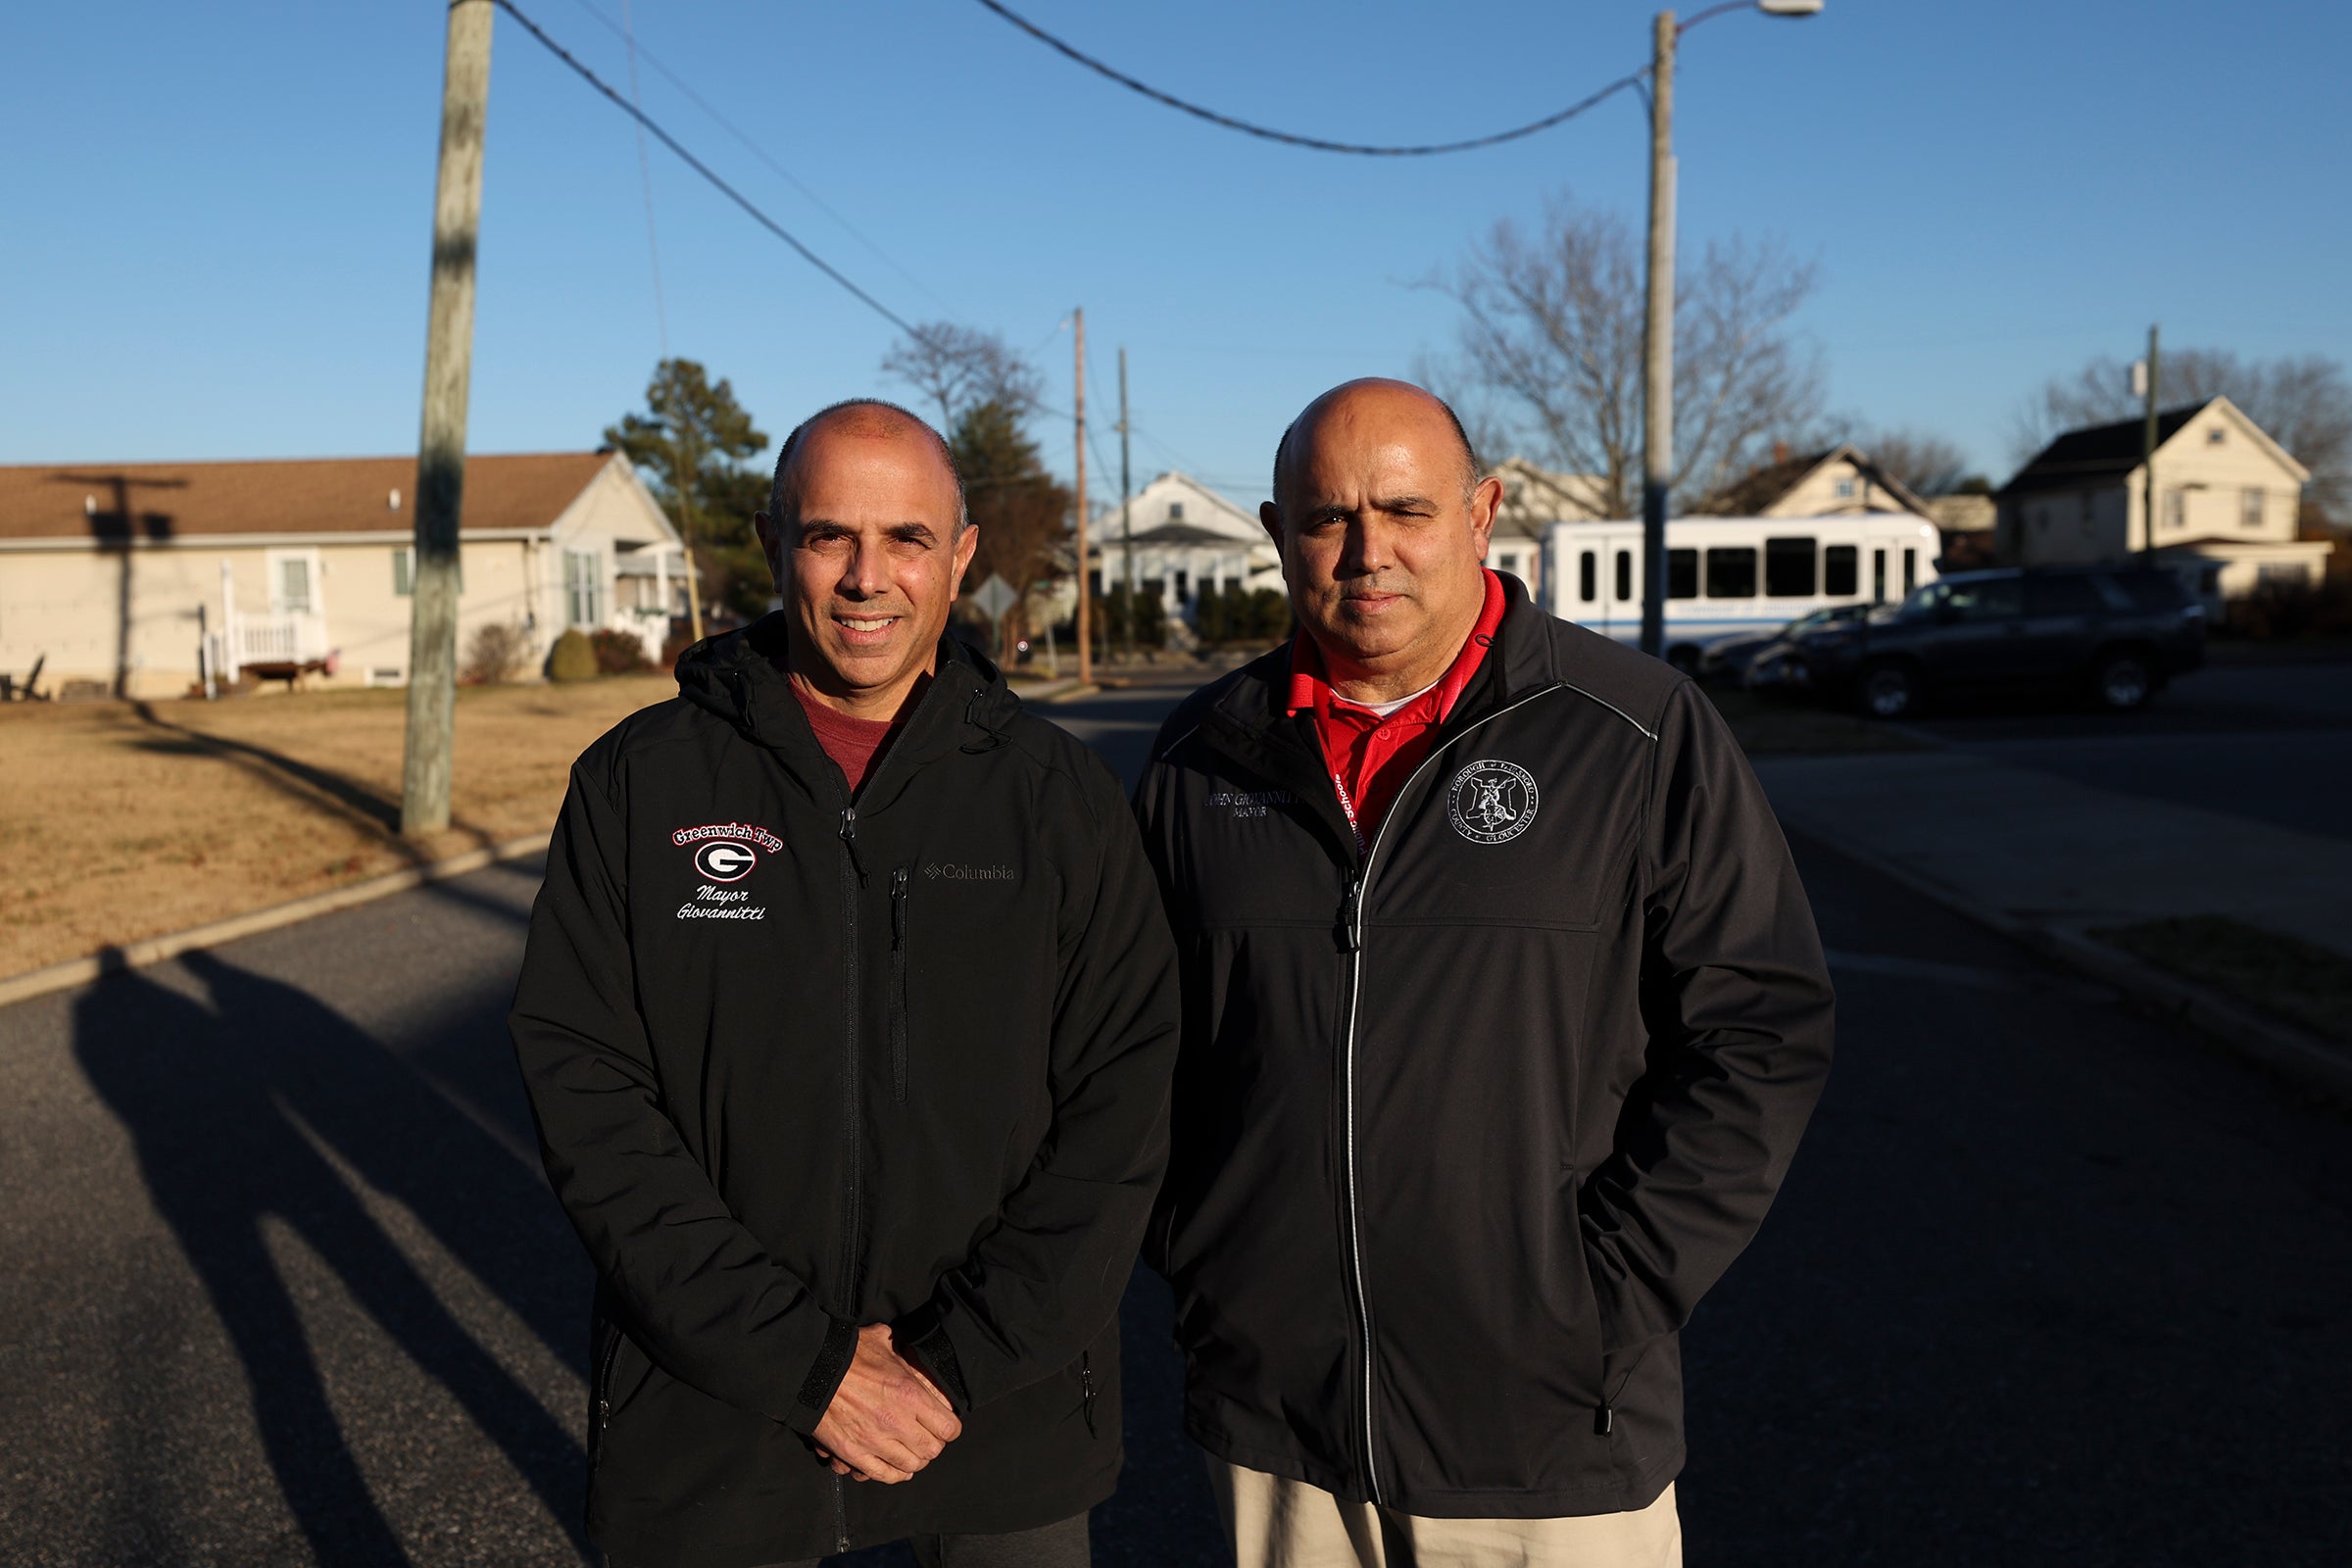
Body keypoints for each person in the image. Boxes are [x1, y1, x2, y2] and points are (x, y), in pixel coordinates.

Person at [1134, 379, 1836, 1566]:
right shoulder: (1200, 758)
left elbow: (1759, 1029)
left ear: (1483, 512)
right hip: (1283, 1432)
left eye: (1406, 509)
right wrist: (1214, 1267)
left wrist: (1597, 1302)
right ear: (1273, 533)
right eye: (1326, 518)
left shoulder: (1635, 729)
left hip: (1551, 1437)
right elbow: (1133, 1048)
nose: (1369, 552)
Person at [512, 398, 1180, 1568]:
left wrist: (952, 1359)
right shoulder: (638, 785)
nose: (869, 578)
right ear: (774, 544)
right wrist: (805, 1367)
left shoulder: (1057, 800)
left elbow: (1123, 1110)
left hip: (994, 1417)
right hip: (715, 1421)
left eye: (908, 539)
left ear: (963, 556)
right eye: (830, 536)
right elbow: (591, 1100)